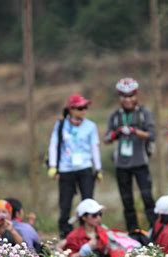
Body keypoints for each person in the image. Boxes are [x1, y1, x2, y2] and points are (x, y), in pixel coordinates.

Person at [104, 78, 156, 232]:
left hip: (140, 162)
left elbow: (152, 135)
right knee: (127, 201)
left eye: (131, 96)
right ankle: (133, 233)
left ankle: (155, 230)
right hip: (122, 164)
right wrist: (117, 133)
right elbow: (106, 138)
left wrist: (135, 131)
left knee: (147, 198)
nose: (127, 100)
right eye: (124, 96)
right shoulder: (115, 116)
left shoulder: (143, 113)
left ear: (136, 95)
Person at [47, 93, 102, 239]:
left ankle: (88, 231)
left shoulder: (91, 126)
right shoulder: (60, 125)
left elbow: (94, 148)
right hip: (66, 169)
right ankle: (65, 232)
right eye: (79, 108)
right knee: (65, 203)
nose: (83, 111)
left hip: (85, 168)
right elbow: (54, 145)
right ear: (71, 109)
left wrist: (98, 168)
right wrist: (53, 166)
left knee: (88, 201)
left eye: (85, 107)